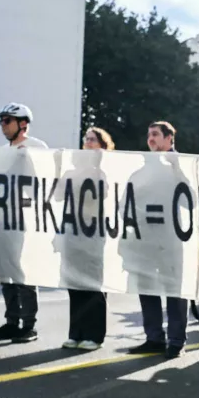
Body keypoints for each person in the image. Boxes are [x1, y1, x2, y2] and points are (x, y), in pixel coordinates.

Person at [0, 103, 47, 343]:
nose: (2, 126)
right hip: (1, 220)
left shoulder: (36, 147)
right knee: (6, 271)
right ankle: (11, 321)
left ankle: (29, 325)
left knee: (24, 273)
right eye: (1, 121)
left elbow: (44, 180)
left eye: (7, 121)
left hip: (24, 220)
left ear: (23, 124)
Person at [126, 121, 188, 359]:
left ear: (169, 139)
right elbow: (128, 202)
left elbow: (190, 200)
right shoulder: (143, 169)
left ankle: (175, 340)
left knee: (174, 291)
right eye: (148, 134)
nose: (150, 139)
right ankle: (154, 338)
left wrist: (176, 170)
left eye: (155, 135)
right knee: (147, 289)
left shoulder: (181, 166)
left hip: (171, 240)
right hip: (145, 241)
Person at [61, 127, 114, 350]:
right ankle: (76, 333)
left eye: (93, 140)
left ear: (102, 145)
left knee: (93, 285)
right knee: (74, 283)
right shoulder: (72, 172)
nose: (88, 143)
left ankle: (94, 335)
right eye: (86, 140)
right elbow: (56, 196)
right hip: (73, 235)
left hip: (94, 235)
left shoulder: (107, 172)